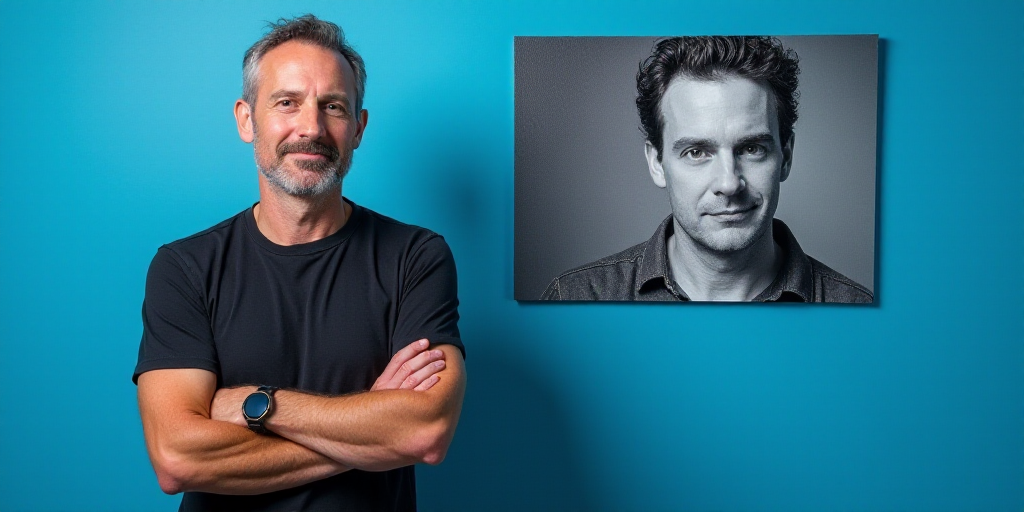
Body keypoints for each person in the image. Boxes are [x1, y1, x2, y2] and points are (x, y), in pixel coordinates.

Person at [133, 15, 466, 511]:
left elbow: (425, 432)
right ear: (246, 119)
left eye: (333, 106)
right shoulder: (184, 268)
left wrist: (258, 404)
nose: (311, 127)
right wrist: (373, 431)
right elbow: (178, 458)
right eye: (287, 102)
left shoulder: (415, 257)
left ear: (358, 128)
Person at [541, 36, 873, 303]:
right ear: (657, 163)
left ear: (785, 157)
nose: (729, 183)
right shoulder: (576, 298)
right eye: (697, 152)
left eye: (752, 149)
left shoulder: (855, 311)